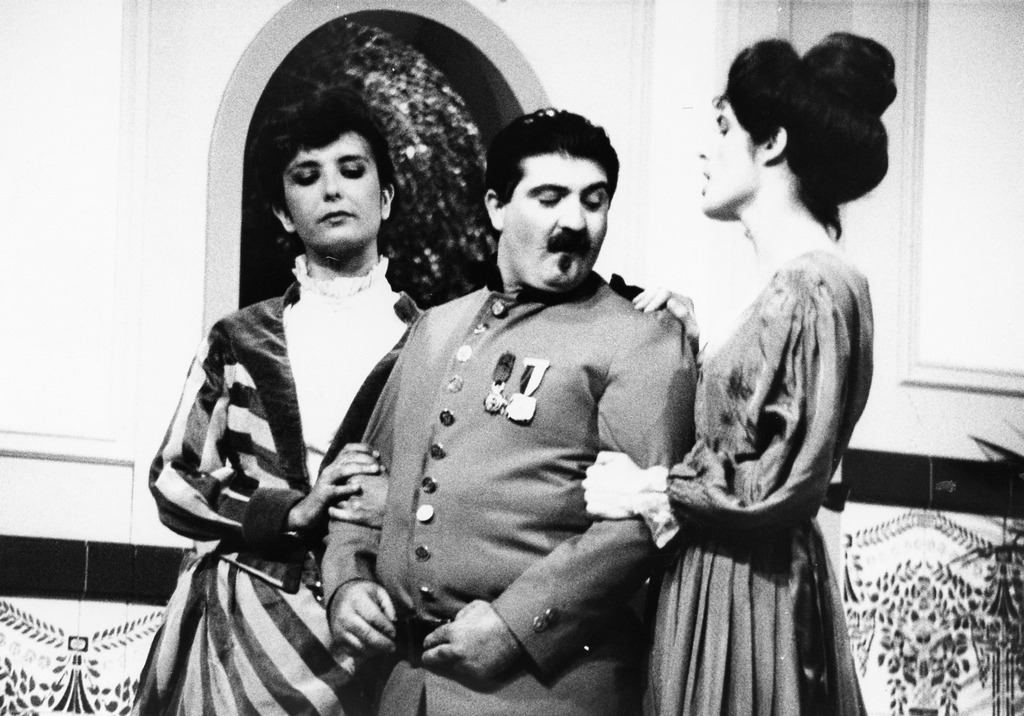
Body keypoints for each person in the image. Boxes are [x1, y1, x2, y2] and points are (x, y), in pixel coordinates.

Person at [321, 108, 698, 716]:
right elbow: (364, 481)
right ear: (497, 207)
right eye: (549, 198)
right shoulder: (433, 328)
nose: (574, 221)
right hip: (405, 691)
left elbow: (642, 524)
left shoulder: (643, 338)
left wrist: (517, 626)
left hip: (552, 692)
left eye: (594, 200)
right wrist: (347, 579)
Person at [583, 32, 895, 716]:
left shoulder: (814, 286)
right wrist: (704, 349)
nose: (706, 149)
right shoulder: (788, 288)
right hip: (724, 581)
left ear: (773, 143)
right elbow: (753, 432)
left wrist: (647, 488)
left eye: (723, 127)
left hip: (753, 592)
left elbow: (777, 483)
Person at [134, 86, 418, 716]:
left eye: (352, 170)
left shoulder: (435, 344)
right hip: (243, 638)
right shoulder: (238, 340)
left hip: (373, 633)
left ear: (386, 197)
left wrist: (393, 502)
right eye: (306, 176)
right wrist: (291, 511)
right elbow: (173, 481)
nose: (332, 190)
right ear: (284, 214)